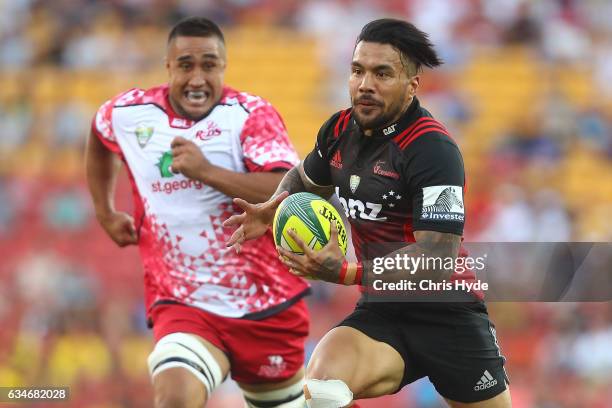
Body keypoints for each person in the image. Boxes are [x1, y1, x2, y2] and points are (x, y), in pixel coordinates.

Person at [225, 19, 512, 408]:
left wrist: (346, 272)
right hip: (382, 311)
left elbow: (438, 258)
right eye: (358, 70)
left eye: (382, 73)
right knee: (322, 388)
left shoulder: (434, 151)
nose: (365, 84)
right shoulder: (341, 129)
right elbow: (306, 176)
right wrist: (273, 208)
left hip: (448, 313)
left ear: (412, 85)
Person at [85, 17, 310, 408]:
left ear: (223, 67)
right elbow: (100, 136)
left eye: (209, 65)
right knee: (174, 396)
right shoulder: (128, 114)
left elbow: (286, 188)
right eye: (186, 65)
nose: (197, 78)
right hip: (184, 303)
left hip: (266, 304)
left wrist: (206, 171)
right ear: (168, 66)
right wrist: (105, 212)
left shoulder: (251, 116)